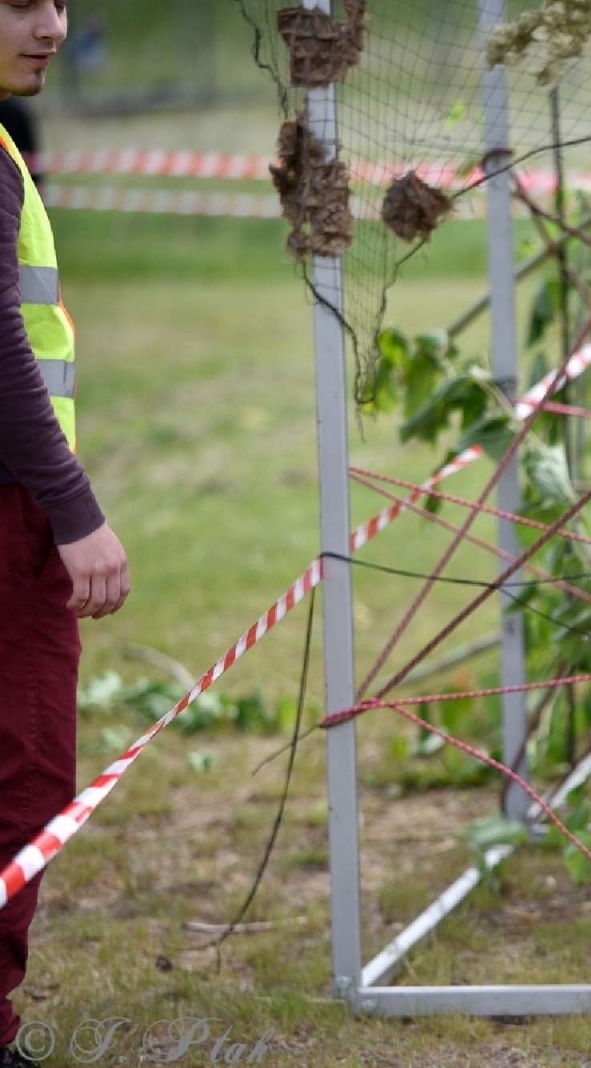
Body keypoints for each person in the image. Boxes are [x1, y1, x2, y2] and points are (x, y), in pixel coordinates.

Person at [0, 4, 130, 1066]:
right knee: (25, 777)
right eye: (19, 2)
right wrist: (73, 510)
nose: (51, 25)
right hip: (10, 513)